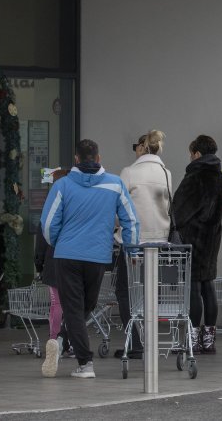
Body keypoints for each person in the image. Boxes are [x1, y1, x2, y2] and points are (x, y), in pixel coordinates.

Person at [40, 139, 138, 379]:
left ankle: (66, 344)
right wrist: (131, 249)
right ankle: (82, 358)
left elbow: (49, 223)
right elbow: (131, 221)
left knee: (75, 307)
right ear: (98, 157)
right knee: (86, 305)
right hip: (98, 256)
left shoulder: (62, 185)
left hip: (67, 255)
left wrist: (58, 243)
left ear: (76, 159)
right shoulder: (115, 184)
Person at [113, 129, 171, 359]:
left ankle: (135, 341)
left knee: (125, 292)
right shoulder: (166, 172)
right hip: (159, 241)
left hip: (133, 242)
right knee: (151, 292)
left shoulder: (129, 172)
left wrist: (116, 228)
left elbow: (119, 207)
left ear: (140, 148)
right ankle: (150, 338)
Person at [172, 135, 222, 354]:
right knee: (208, 285)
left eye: (191, 153)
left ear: (196, 154)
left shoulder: (195, 176)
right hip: (212, 236)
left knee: (193, 286)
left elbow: (180, 208)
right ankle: (209, 340)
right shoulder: (220, 177)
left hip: (192, 237)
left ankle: (193, 338)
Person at [34, 169, 73, 372]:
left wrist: (38, 263)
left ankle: (53, 339)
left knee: (56, 303)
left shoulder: (50, 209)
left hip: (53, 261)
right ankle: (72, 342)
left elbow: (42, 239)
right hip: (75, 260)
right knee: (74, 303)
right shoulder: (76, 207)